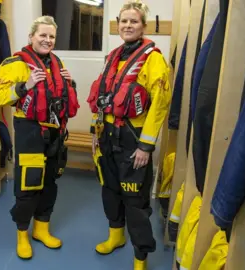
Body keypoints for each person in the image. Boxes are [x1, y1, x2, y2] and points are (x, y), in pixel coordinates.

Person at [87, 1, 171, 269]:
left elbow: (159, 104)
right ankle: (116, 237)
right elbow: (102, 98)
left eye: (133, 21)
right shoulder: (112, 57)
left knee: (134, 200)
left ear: (143, 26)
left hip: (133, 138)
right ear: (118, 25)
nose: (127, 26)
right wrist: (94, 133)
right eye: (123, 21)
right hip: (107, 135)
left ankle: (140, 257)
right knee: (110, 190)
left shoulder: (153, 59)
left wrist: (146, 147)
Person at [0, 15, 79, 260]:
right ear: (31, 37)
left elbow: (60, 96)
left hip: (55, 132)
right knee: (29, 184)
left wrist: (70, 83)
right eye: (43, 35)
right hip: (30, 130)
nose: (47, 40)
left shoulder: (56, 62)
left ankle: (42, 229)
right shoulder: (15, 62)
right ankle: (22, 234)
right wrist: (24, 85)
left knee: (50, 182)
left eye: (51, 36)